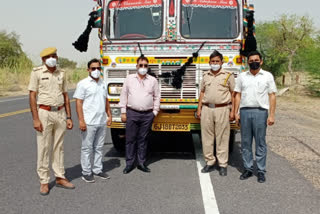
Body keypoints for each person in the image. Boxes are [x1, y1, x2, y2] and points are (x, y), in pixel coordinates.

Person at [28, 47, 75, 196]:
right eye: (49, 56)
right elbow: (32, 96)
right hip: (44, 112)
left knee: (58, 147)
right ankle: (44, 181)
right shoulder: (37, 73)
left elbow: (66, 95)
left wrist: (69, 117)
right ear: (43, 60)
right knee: (44, 147)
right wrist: (35, 119)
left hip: (60, 112)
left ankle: (60, 177)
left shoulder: (62, 73)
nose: (52, 58)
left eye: (54, 55)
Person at [234, 50, 277, 183]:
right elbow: (237, 95)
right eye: (251, 61)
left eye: (256, 60)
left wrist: (272, 115)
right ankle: (248, 169)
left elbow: (272, 95)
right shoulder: (242, 76)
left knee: (260, 143)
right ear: (247, 62)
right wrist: (236, 112)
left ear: (261, 61)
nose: (254, 63)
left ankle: (261, 170)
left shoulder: (267, 76)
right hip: (245, 112)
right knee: (246, 143)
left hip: (261, 112)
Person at [119, 56, 160, 174]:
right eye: (140, 65)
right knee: (130, 139)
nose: (143, 68)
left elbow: (157, 96)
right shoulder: (129, 79)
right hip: (132, 113)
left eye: (145, 66)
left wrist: (155, 112)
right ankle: (129, 164)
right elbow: (124, 95)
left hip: (147, 114)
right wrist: (123, 112)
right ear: (136, 66)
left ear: (148, 67)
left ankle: (141, 163)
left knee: (143, 139)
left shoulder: (153, 80)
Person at [197, 50, 235, 176]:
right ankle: (209, 162)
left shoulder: (228, 75)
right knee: (207, 138)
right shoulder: (205, 76)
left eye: (217, 61)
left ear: (221, 62)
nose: (214, 63)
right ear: (209, 62)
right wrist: (199, 108)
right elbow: (202, 92)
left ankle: (222, 164)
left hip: (222, 109)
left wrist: (233, 111)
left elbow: (233, 94)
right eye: (212, 61)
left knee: (222, 137)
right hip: (207, 109)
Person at [74, 59, 112, 183]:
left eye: (98, 68)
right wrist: (81, 121)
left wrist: (109, 115)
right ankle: (86, 172)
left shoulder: (103, 83)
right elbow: (78, 102)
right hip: (89, 121)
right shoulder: (83, 84)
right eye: (93, 68)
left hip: (101, 121)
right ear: (88, 70)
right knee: (87, 148)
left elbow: (106, 100)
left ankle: (97, 169)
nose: (96, 71)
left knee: (99, 147)